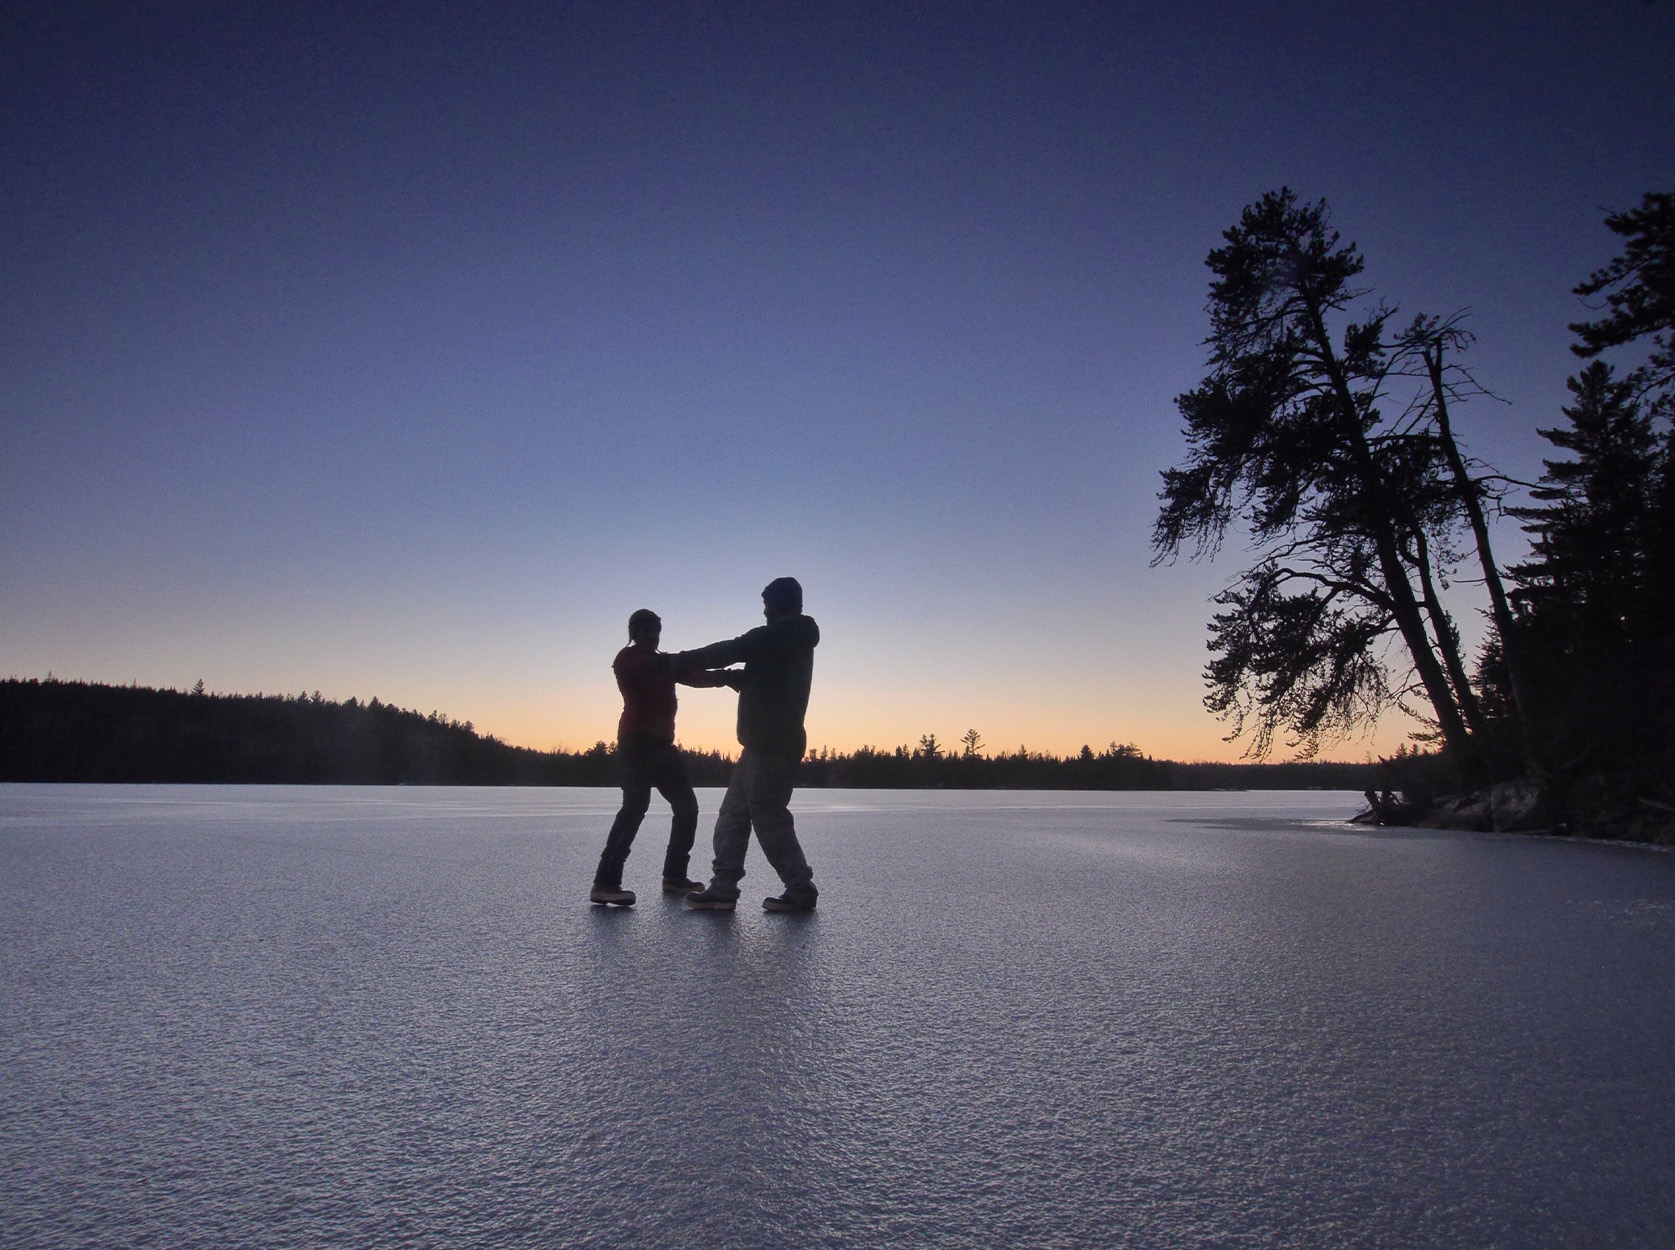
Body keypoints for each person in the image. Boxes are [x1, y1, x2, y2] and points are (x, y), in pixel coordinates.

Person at [678, 577, 820, 913]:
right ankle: (723, 887)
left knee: (769, 818)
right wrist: (736, 679)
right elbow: (771, 683)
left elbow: (727, 650)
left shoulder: (775, 636)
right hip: (761, 744)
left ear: (780, 603)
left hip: (772, 743)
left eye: (767, 601)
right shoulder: (789, 641)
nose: (763, 608)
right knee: (732, 817)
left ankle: (800, 887)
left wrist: (677, 662)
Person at [589, 609, 739, 907]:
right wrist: (688, 663)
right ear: (633, 634)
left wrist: (726, 678)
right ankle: (605, 882)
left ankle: (674, 876)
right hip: (636, 743)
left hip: (662, 747)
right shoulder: (627, 659)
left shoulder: (664, 663)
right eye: (644, 631)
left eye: (654, 631)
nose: (650, 636)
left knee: (686, 807)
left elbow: (691, 676)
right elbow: (657, 666)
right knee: (634, 808)